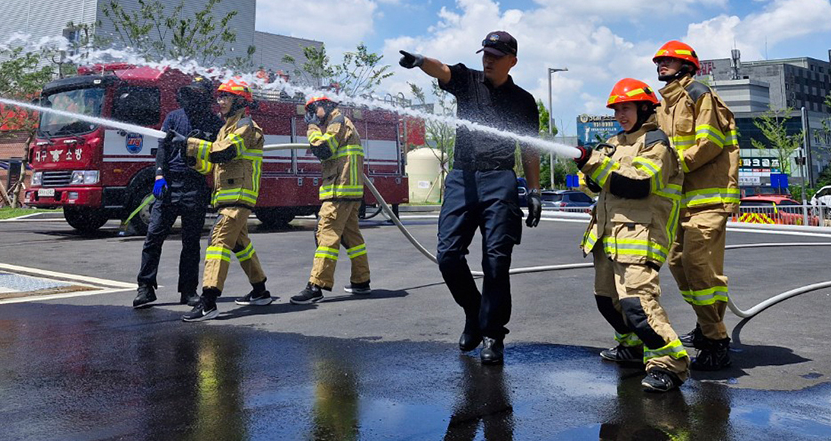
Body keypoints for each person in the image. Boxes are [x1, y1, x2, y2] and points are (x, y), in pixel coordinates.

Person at [399, 31, 542, 365]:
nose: (488, 60)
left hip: (499, 179)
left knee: (496, 262)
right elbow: (443, 70)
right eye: (485, 54)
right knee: (448, 255)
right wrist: (421, 61)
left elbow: (531, 148)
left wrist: (534, 191)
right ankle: (473, 311)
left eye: (495, 55)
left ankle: (493, 333)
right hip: (462, 177)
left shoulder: (523, 101)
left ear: (512, 61)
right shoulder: (468, 81)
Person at [574, 78, 689, 393]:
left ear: (644, 107)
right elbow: (593, 184)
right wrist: (588, 164)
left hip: (639, 237)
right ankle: (633, 348)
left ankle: (669, 365)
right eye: (617, 109)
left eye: (627, 108)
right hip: (607, 238)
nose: (620, 114)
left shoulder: (656, 143)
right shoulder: (614, 142)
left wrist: (593, 163)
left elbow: (639, 184)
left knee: (638, 306)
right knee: (607, 302)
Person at [651, 41, 739, 371]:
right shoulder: (664, 105)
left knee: (698, 265)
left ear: (687, 65)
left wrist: (672, 165)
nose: (662, 64)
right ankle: (706, 327)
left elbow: (710, 144)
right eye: (660, 61)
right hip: (678, 201)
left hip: (709, 199)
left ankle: (717, 341)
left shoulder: (700, 95)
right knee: (677, 263)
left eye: (669, 61)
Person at [179, 78, 273, 322]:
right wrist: (189, 156)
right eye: (219, 97)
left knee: (218, 241)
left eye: (225, 97)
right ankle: (260, 291)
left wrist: (192, 144)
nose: (219, 102)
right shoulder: (225, 128)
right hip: (227, 196)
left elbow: (226, 152)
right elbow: (210, 165)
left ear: (239, 101)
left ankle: (208, 301)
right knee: (241, 244)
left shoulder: (246, 126)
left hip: (239, 195)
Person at [132, 79, 222, 308]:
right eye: (189, 93)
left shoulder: (214, 122)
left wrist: (200, 142)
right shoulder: (173, 117)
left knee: (191, 242)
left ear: (205, 97)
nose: (193, 98)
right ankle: (145, 288)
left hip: (195, 185)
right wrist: (159, 175)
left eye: (198, 94)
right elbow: (162, 147)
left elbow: (218, 153)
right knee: (153, 236)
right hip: (170, 183)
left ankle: (188, 291)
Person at [290, 93, 371, 304]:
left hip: (339, 191)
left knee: (326, 236)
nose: (310, 115)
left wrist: (312, 128)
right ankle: (361, 281)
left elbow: (323, 149)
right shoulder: (341, 122)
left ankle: (316, 286)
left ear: (325, 105)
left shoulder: (336, 122)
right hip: (348, 191)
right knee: (352, 238)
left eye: (313, 109)